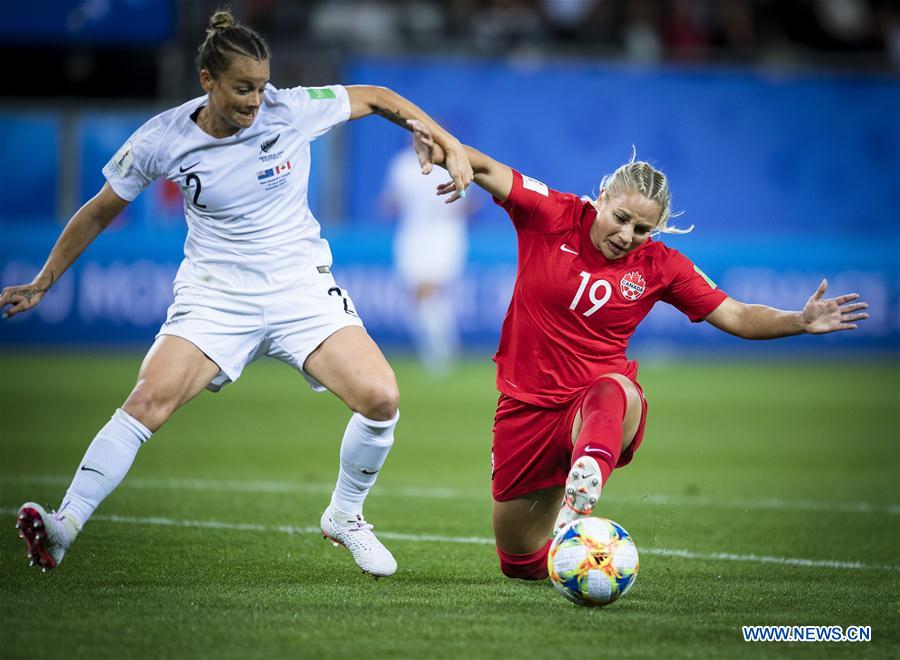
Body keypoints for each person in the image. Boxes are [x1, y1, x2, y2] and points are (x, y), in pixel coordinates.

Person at [1, 10, 472, 578]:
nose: (256, 100)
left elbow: (376, 97)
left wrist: (444, 140)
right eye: (243, 88)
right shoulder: (162, 138)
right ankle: (63, 526)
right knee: (147, 402)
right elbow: (100, 210)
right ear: (208, 80)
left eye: (262, 86)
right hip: (216, 296)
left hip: (300, 289)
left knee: (381, 399)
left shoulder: (289, 109)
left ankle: (345, 516)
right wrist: (44, 280)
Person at [408, 121, 869, 581]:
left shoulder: (661, 266)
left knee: (614, 389)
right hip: (525, 406)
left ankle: (587, 476)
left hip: (595, 406)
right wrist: (446, 150)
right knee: (521, 564)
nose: (628, 235)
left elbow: (736, 315)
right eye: (622, 218)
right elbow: (488, 167)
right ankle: (575, 547)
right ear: (602, 197)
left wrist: (799, 321)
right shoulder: (551, 214)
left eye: (643, 228)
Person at [382, 146, 472, 375]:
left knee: (430, 290)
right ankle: (439, 349)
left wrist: (447, 210)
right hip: (413, 234)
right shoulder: (403, 165)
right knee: (417, 295)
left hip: (444, 234)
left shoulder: (452, 161)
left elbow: (467, 200)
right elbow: (391, 200)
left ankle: (440, 353)